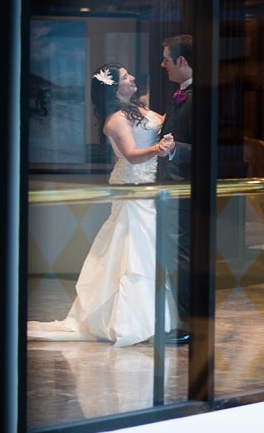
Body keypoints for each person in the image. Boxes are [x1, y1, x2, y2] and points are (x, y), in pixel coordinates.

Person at [28, 63, 178, 346]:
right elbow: (132, 155)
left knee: (145, 247)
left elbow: (164, 123)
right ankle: (134, 320)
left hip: (151, 185)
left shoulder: (140, 109)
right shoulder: (115, 120)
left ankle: (154, 317)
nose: (132, 77)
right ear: (114, 87)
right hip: (133, 187)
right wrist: (158, 149)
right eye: (125, 77)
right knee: (136, 249)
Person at [158, 35, 194, 345]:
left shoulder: (197, 97)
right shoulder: (180, 94)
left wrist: (173, 150)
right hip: (172, 189)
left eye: (167, 59)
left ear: (182, 61)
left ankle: (187, 322)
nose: (163, 64)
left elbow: (211, 151)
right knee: (174, 255)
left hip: (185, 190)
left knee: (183, 257)